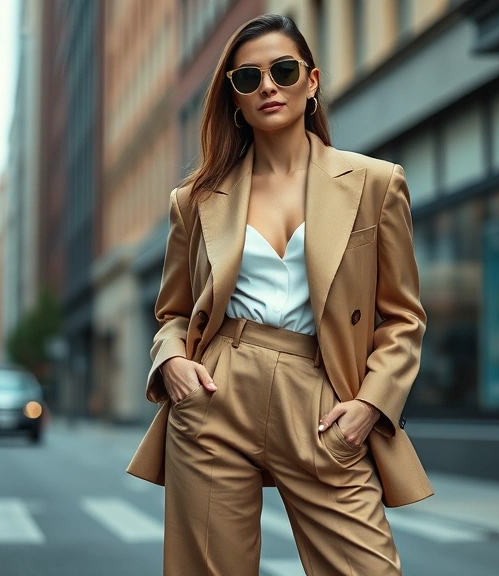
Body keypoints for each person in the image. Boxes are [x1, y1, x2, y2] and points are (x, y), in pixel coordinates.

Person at [127, 14, 430, 576]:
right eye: (248, 79)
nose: (267, 86)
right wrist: (171, 360)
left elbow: (403, 318)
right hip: (215, 391)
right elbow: (173, 311)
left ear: (311, 82)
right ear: (234, 99)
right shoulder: (195, 200)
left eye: (283, 71)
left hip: (322, 397)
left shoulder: (375, 183)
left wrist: (369, 404)